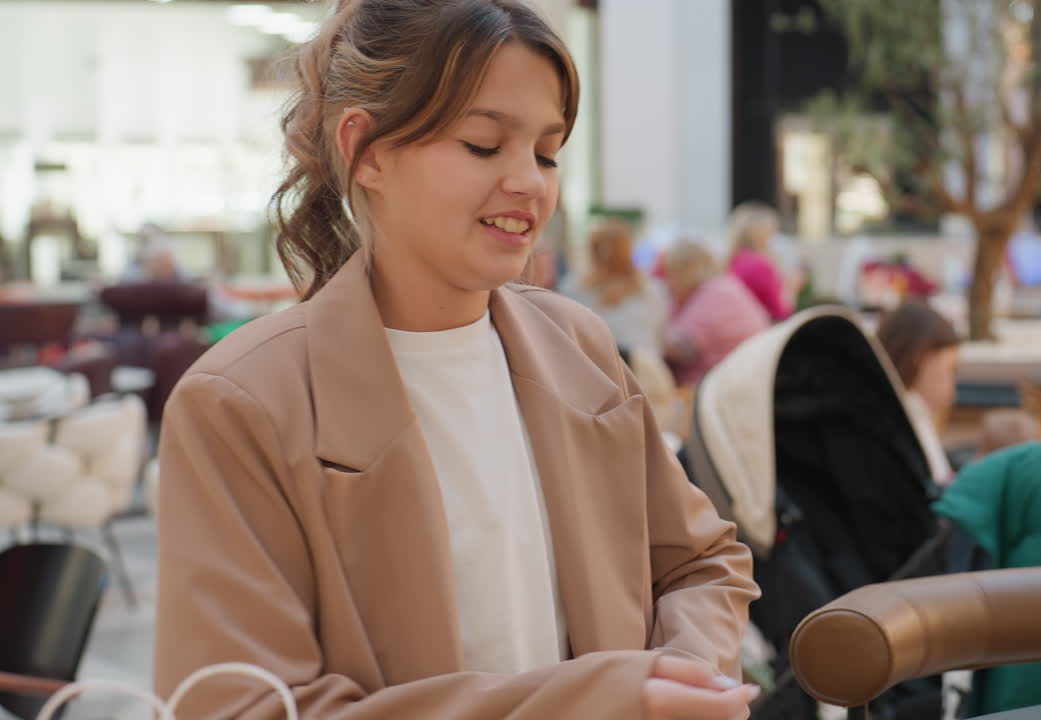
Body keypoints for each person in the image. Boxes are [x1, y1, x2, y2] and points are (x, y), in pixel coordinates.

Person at [153, 2, 760, 718]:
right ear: (366, 150)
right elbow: (243, 708)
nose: (530, 183)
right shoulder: (241, 403)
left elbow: (702, 561)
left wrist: (681, 678)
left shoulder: (578, 347)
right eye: (482, 145)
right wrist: (603, 700)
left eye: (546, 152)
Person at [875, 300, 961, 487]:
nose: (953, 390)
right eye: (951, 370)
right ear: (921, 358)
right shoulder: (906, 417)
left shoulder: (888, 410)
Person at [661, 241, 770, 386]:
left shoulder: (717, 293)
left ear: (684, 272)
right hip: (729, 381)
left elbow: (682, 349)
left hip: (724, 387)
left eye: (670, 274)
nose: (667, 283)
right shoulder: (717, 288)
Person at [559, 218, 669, 354]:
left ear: (591, 251)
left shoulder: (572, 289)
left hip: (593, 369)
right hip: (645, 370)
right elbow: (660, 339)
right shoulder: (653, 289)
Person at [726, 202, 793, 321]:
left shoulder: (733, 260)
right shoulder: (760, 266)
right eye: (772, 232)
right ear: (763, 235)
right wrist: (792, 287)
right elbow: (781, 312)